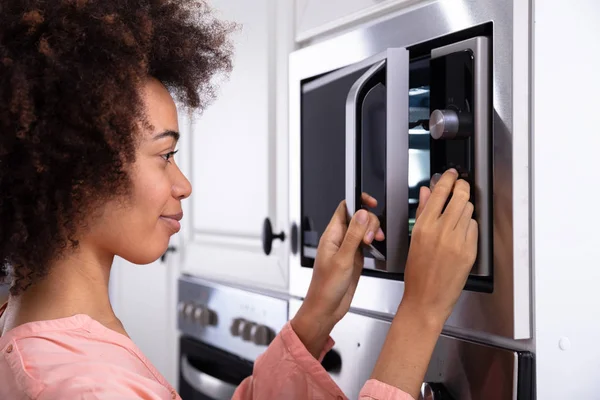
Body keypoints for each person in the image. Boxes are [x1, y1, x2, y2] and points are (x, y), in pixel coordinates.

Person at [0, 1, 477, 399]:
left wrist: (315, 316)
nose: (183, 184)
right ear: (79, 168)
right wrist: (420, 314)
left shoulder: (47, 335)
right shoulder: (82, 388)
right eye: (165, 155)